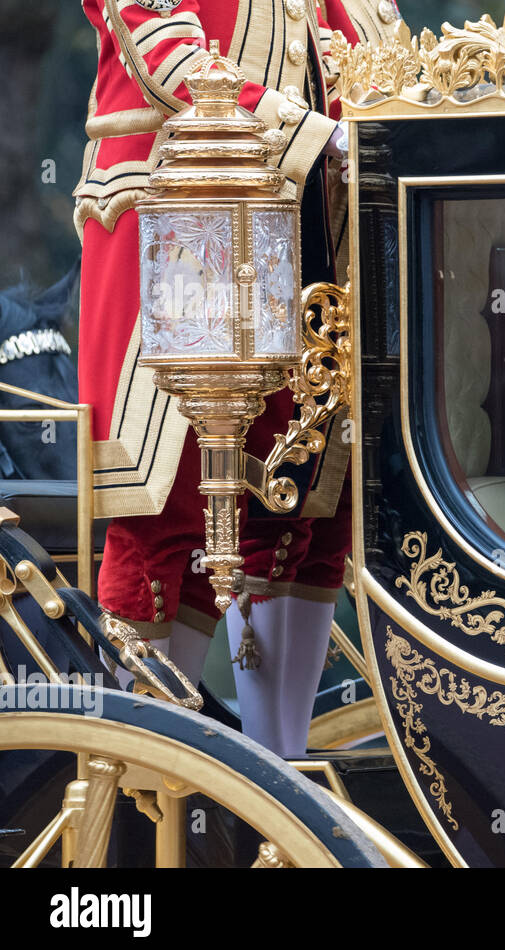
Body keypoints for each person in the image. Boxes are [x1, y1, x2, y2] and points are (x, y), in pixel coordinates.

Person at [75, 0, 402, 755]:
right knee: (168, 518)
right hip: (187, 225)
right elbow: (164, 49)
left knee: (307, 510)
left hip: (324, 232)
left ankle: (279, 779)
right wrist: (312, 135)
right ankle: (144, 800)